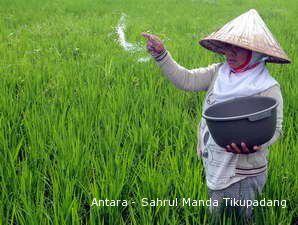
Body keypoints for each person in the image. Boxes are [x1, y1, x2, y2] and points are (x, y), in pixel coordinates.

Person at [141, 9, 290, 224]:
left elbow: (276, 130)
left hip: (245, 172)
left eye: (238, 49)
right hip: (215, 162)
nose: (229, 53)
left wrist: (256, 145)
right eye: (227, 47)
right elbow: (187, 80)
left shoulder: (267, 88)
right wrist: (162, 55)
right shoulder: (219, 73)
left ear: (256, 53)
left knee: (241, 218)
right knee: (216, 216)